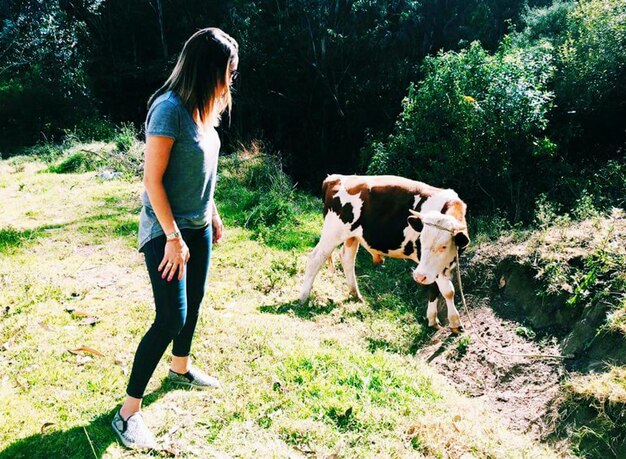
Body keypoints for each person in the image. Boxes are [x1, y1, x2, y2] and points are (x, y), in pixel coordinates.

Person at [111, 27, 239, 450]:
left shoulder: (206, 110)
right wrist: (172, 237)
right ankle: (127, 413)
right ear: (209, 70)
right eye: (229, 71)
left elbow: (199, 172)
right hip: (166, 231)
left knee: (194, 303)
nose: (231, 79)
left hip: (197, 227)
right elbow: (152, 180)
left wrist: (212, 213)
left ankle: (180, 370)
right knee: (170, 318)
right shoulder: (168, 110)